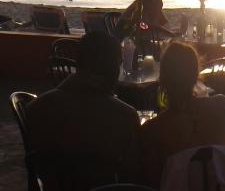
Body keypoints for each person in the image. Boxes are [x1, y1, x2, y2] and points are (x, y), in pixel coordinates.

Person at [138, 41, 225, 186]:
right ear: (196, 76)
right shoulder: (222, 105)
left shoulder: (152, 130)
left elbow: (149, 179)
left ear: (162, 79)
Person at [24, 30, 140, 175]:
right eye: (119, 64)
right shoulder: (125, 116)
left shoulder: (37, 108)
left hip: (54, 189)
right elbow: (132, 171)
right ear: (112, 68)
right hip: (105, 189)